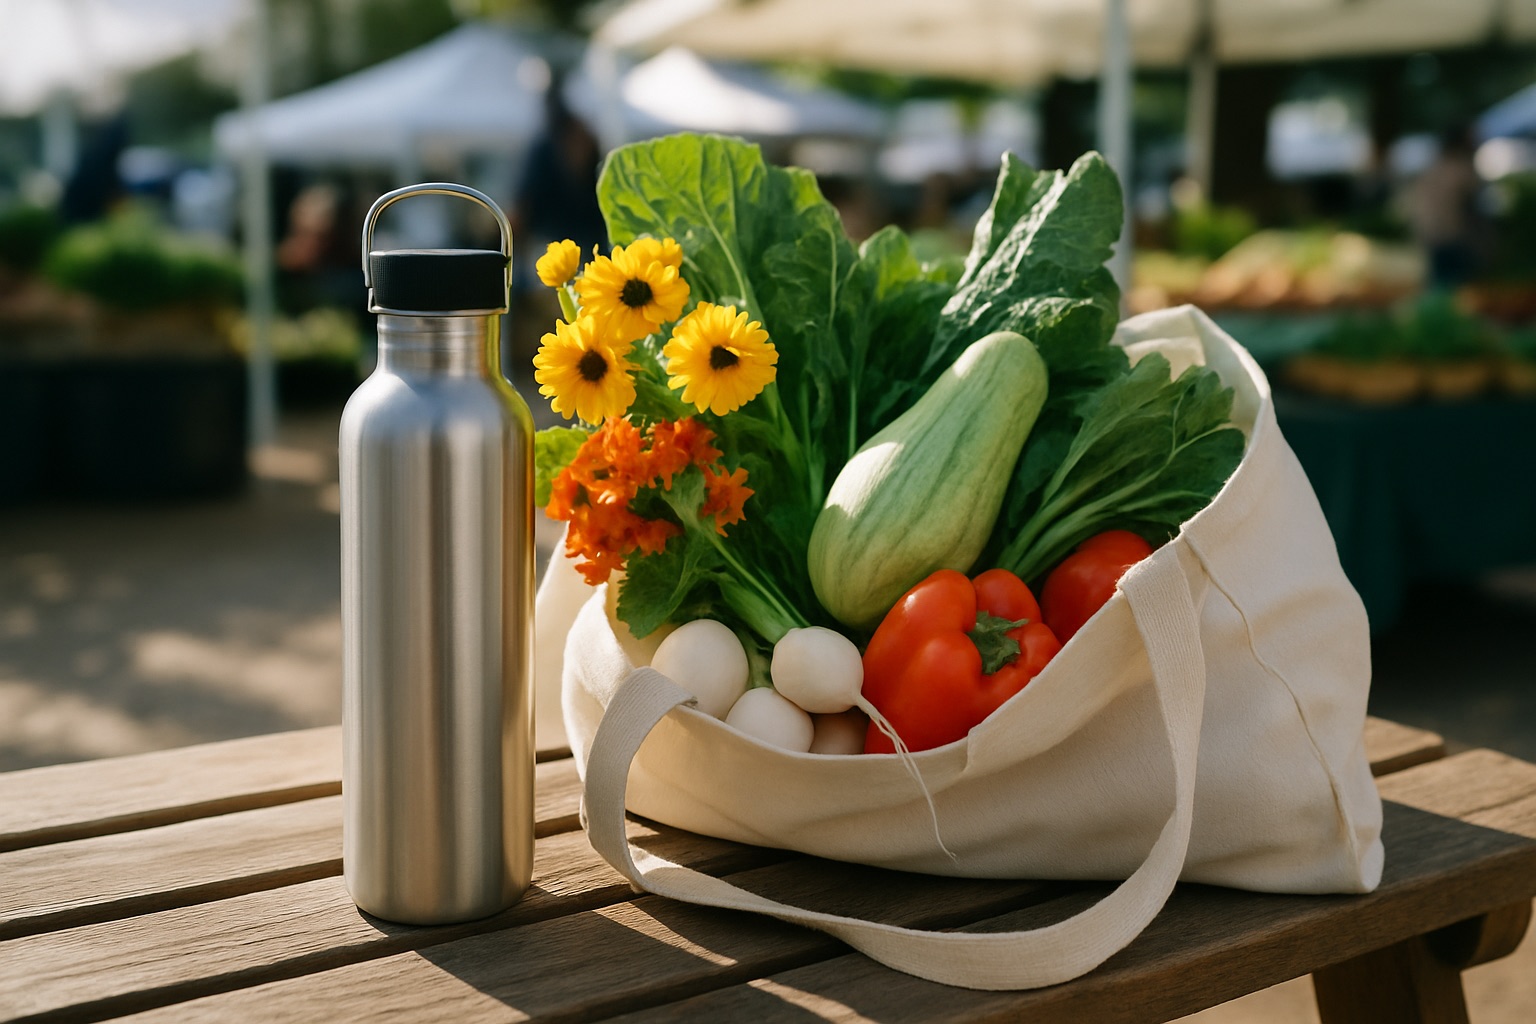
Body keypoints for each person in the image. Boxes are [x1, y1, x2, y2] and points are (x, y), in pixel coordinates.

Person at [1406, 126, 1485, 289]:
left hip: (1430, 237)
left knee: (1439, 287)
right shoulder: (1462, 169)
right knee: (1459, 290)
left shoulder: (1433, 167)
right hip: (1455, 239)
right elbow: (1474, 206)